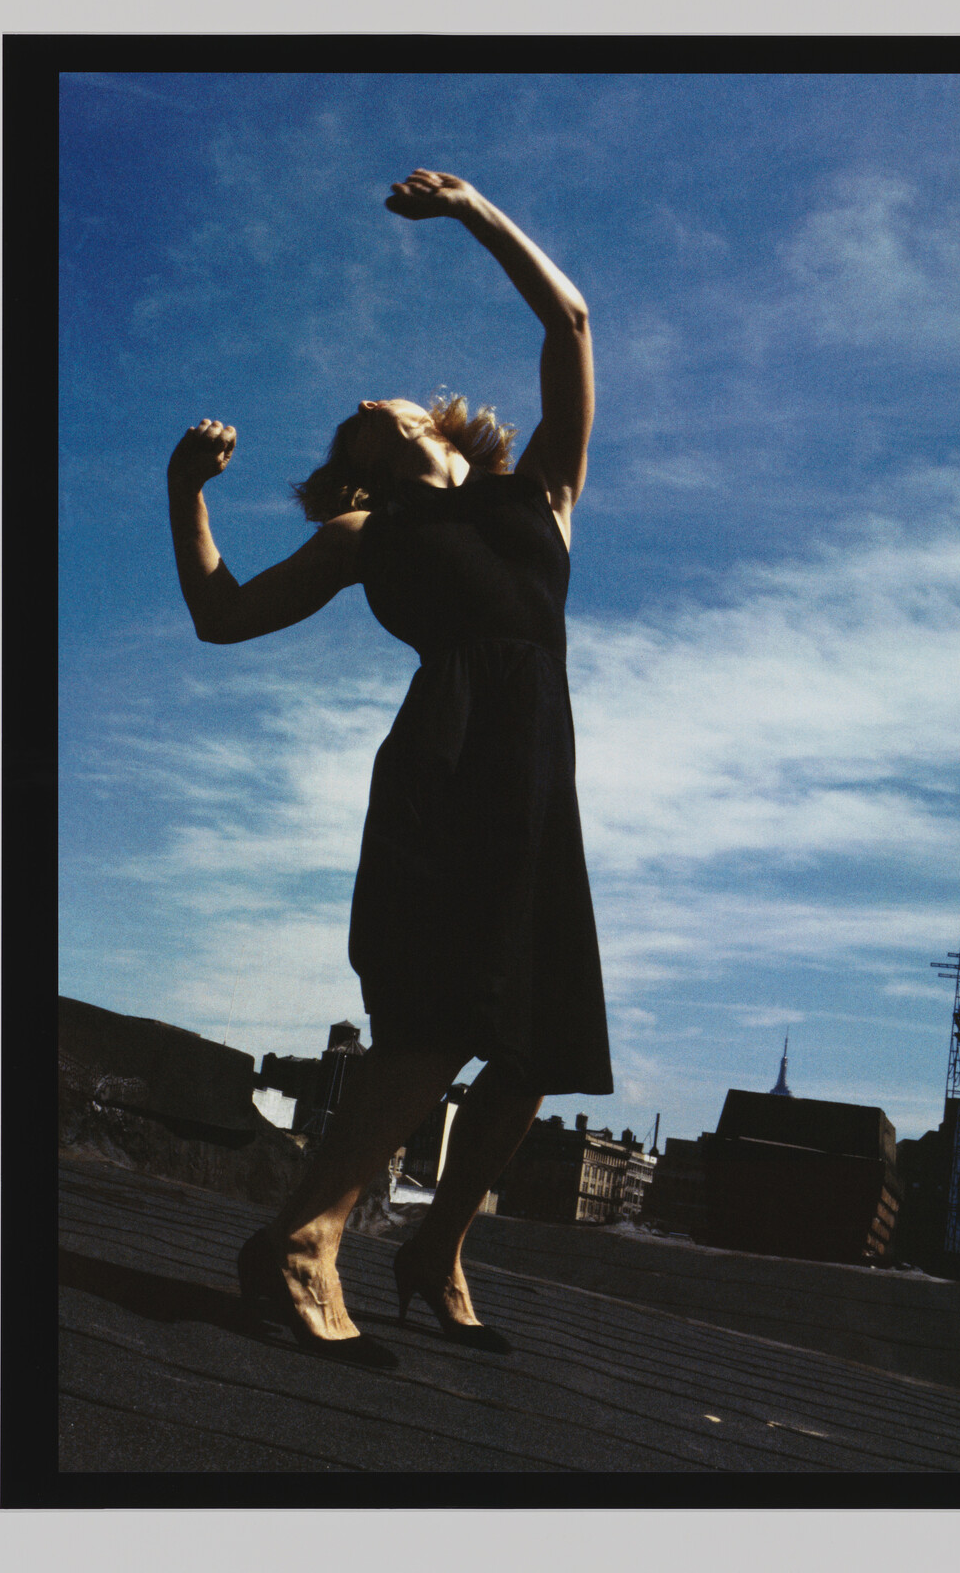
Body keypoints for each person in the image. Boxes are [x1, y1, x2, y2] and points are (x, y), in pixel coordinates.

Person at [167, 169, 611, 1367]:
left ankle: (434, 1249)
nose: (367, 397)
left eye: (389, 396)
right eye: (349, 419)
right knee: (442, 1009)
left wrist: (473, 212)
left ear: (440, 423)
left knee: (535, 1043)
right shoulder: (364, 533)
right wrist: (183, 495)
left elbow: (568, 321)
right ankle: (307, 1240)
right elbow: (221, 615)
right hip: (448, 764)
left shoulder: (542, 492)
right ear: (358, 467)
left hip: (538, 771)